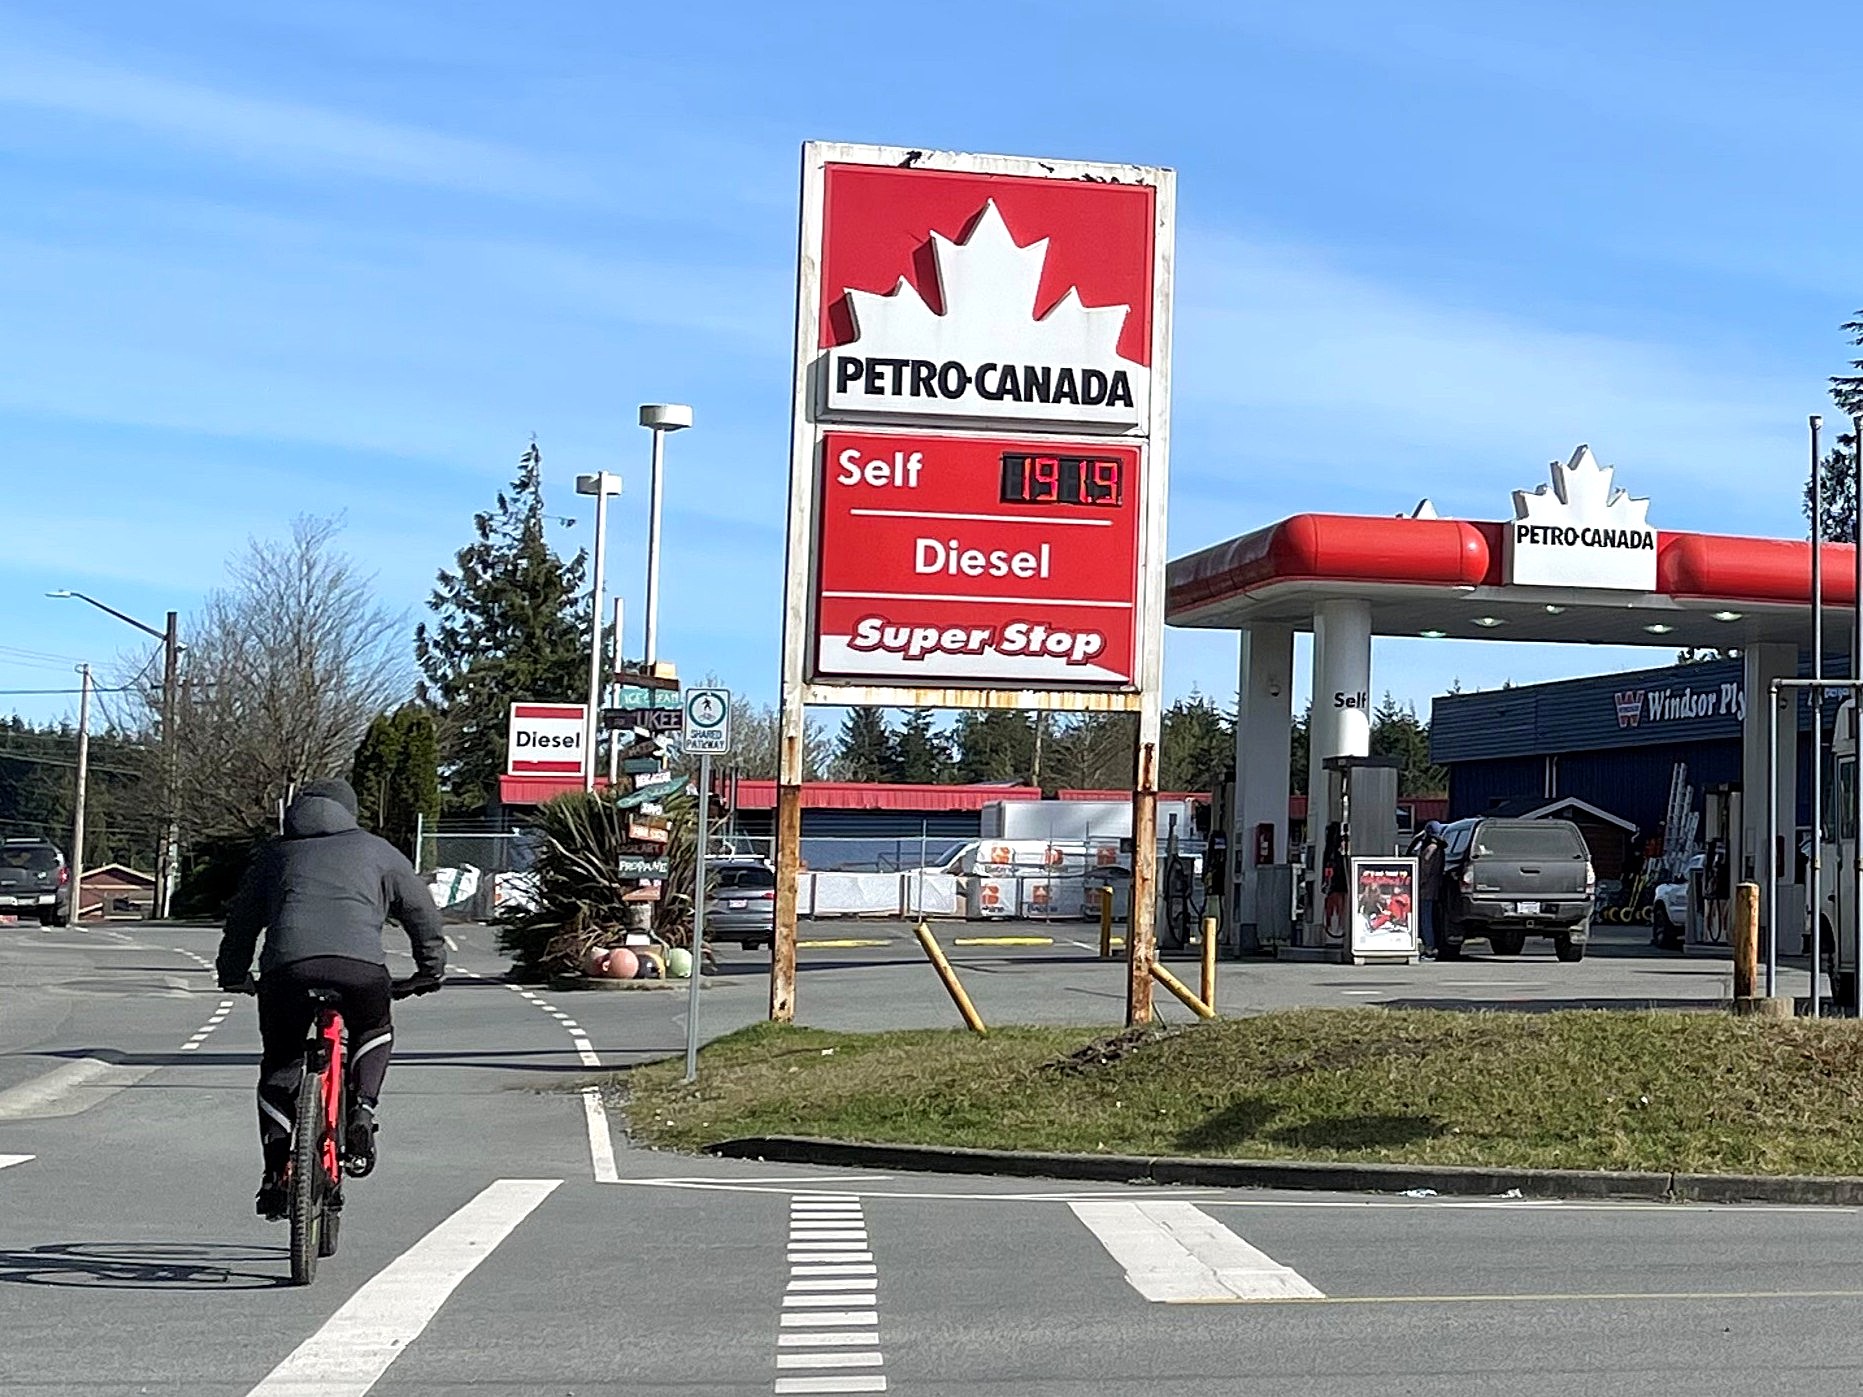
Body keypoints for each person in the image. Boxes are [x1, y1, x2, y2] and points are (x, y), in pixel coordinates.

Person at [216, 777, 446, 1219]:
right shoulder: (378, 851)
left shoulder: (275, 855)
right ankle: (362, 1110)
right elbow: (422, 912)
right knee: (373, 1028)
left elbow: (242, 921)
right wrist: (429, 970)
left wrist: (232, 974)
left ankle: (276, 1173)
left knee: (280, 1061)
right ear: (351, 812)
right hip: (360, 969)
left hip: (287, 970)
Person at [1414, 822, 1445, 958]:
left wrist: (1417, 884)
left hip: (1425, 890)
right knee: (1429, 917)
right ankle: (1431, 946)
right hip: (1434, 889)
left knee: (1425, 919)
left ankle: (1429, 948)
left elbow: (1424, 870)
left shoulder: (1430, 849)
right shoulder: (1439, 848)